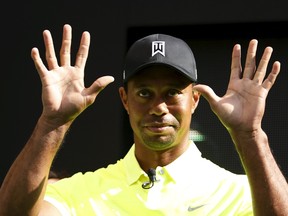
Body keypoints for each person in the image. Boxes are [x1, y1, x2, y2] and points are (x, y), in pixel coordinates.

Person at [0, 24, 287, 215]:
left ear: (194, 100)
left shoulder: (237, 192)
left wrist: (250, 135)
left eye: (173, 92)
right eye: (145, 93)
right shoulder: (81, 194)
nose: (159, 107)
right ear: (125, 99)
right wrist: (52, 124)